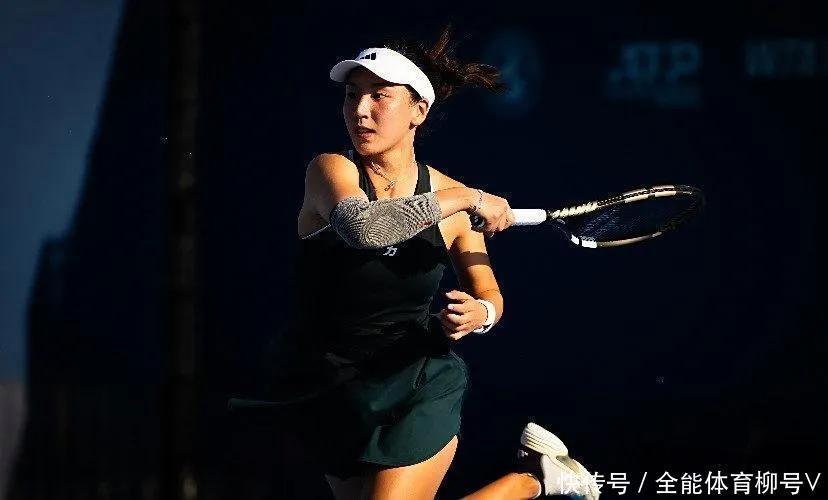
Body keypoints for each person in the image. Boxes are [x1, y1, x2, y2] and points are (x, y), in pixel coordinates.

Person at [276, 25, 599, 499]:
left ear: (418, 111)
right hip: (332, 385)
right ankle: (539, 480)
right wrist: (469, 197)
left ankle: (532, 482)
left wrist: (480, 314)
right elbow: (365, 228)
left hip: (416, 379)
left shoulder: (453, 201)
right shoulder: (331, 170)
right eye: (352, 95)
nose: (360, 110)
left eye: (379, 96)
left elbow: (490, 295)